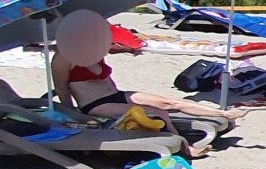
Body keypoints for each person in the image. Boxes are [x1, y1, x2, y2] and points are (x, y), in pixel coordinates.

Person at [51, 49, 243, 132]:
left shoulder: (93, 51)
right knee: (158, 113)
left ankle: (224, 114)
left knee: (170, 103)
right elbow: (61, 87)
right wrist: (72, 114)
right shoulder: (62, 58)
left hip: (115, 95)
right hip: (94, 104)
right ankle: (183, 146)